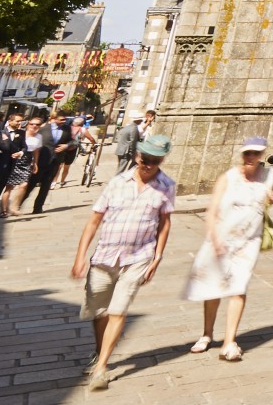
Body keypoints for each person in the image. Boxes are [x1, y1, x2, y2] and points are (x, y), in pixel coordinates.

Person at [70, 133, 175, 391]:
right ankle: (100, 350)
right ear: (138, 156)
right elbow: (94, 220)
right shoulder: (117, 182)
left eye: (155, 160)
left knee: (118, 310)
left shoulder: (167, 185)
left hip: (139, 257)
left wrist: (158, 257)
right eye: (145, 158)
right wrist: (80, 257)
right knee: (99, 312)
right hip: (105, 255)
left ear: (161, 160)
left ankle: (102, 367)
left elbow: (164, 222)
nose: (148, 164)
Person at [184, 137, 273, 361]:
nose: (251, 157)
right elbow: (212, 210)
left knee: (239, 288)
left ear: (262, 154)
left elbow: (261, 203)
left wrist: (271, 199)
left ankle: (229, 341)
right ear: (242, 154)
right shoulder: (228, 178)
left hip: (249, 242)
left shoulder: (269, 175)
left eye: (256, 153)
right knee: (214, 288)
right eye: (248, 153)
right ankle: (207, 334)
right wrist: (215, 240)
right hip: (222, 239)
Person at [5, 116, 46, 217]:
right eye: (32, 124)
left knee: (23, 185)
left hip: (27, 161)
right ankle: (4, 208)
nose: (34, 126)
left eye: (37, 125)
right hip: (15, 159)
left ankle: (14, 207)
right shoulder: (20, 133)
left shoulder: (39, 137)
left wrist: (35, 163)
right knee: (10, 185)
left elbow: (36, 151)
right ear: (28, 124)